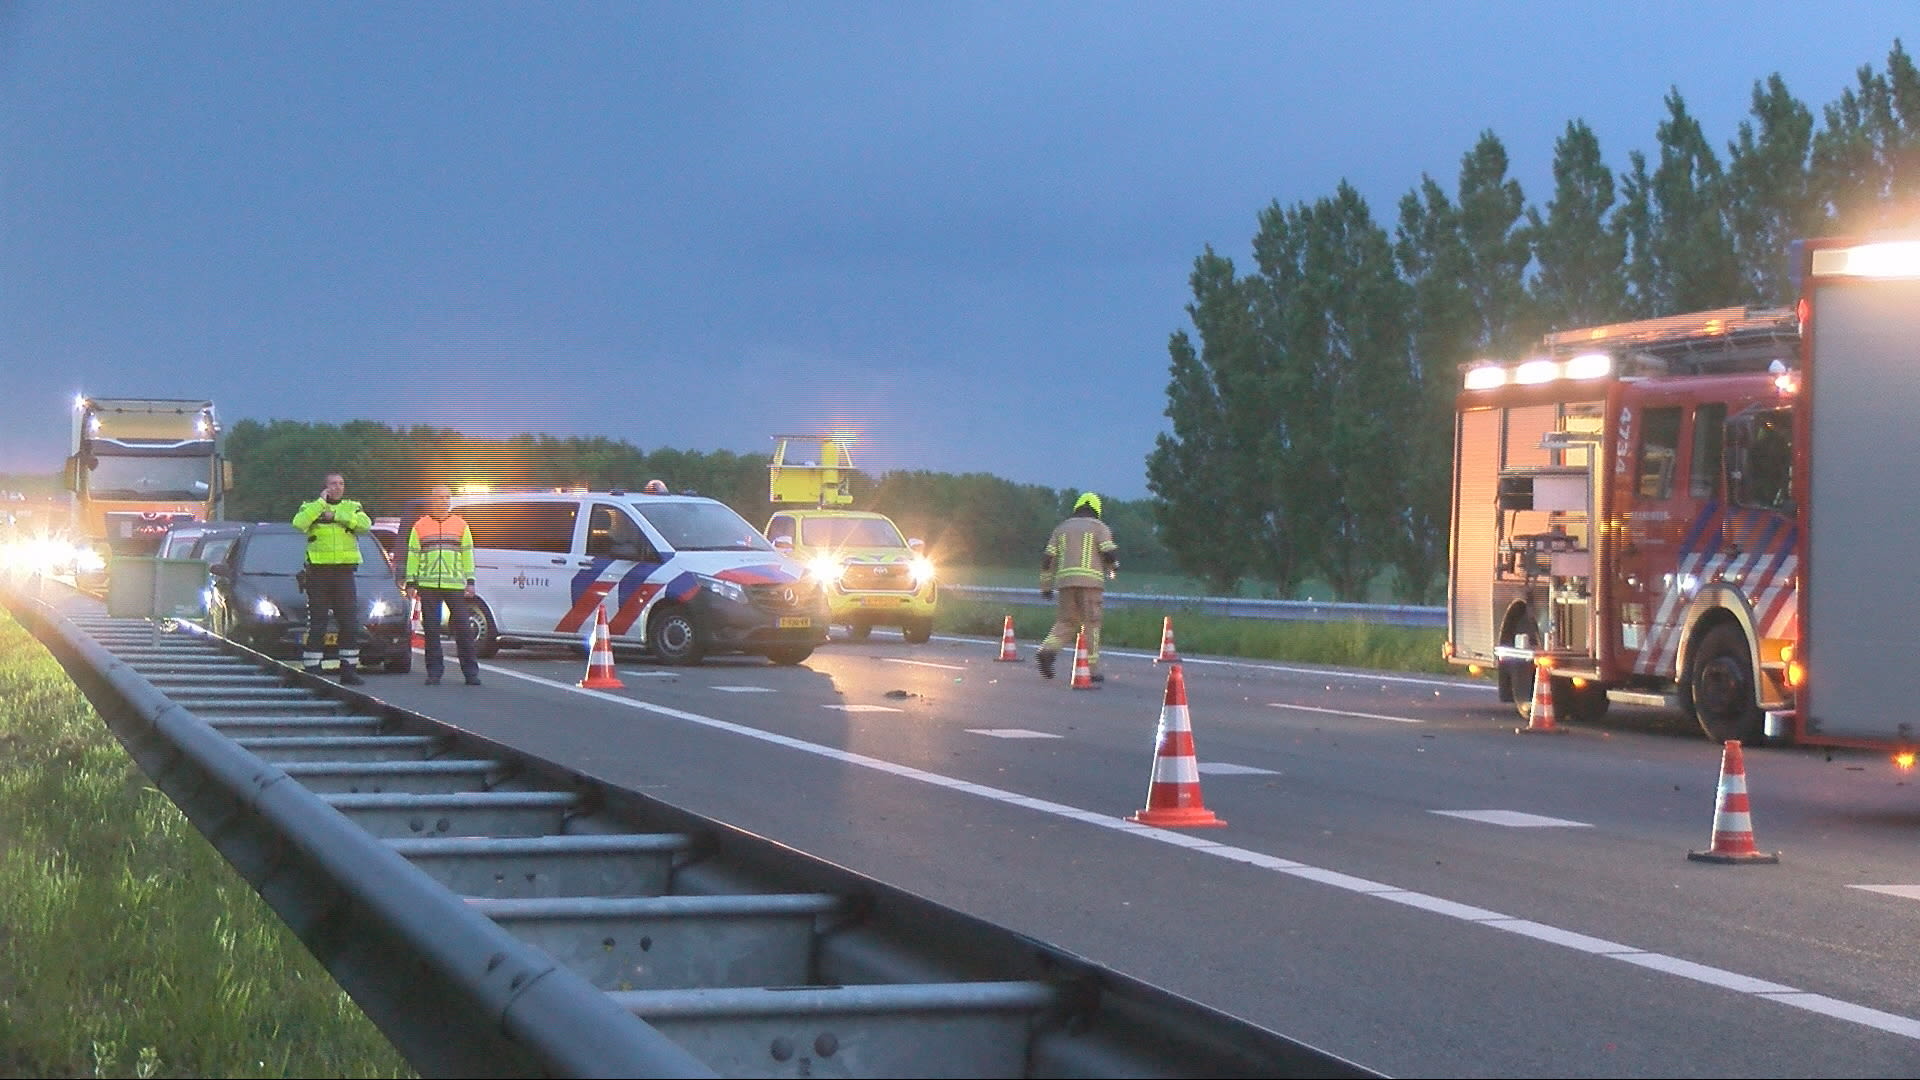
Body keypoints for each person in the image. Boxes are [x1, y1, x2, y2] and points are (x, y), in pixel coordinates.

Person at [292, 472, 374, 685]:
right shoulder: (310, 507)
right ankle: (312, 667)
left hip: (344, 573)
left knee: (348, 622)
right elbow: (299, 524)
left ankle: (348, 669)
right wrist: (321, 504)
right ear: (324, 487)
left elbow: (365, 526)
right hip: (318, 572)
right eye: (333, 484)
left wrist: (337, 517)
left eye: (341, 484)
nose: (337, 487)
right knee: (318, 621)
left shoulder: (353, 507)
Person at [1036, 491, 1119, 683]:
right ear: (1096, 510)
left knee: (1066, 621)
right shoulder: (1100, 527)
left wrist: (1046, 586)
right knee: (1092, 624)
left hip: (1065, 584)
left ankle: (1047, 650)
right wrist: (1113, 568)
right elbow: (1108, 553)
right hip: (1091, 585)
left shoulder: (1061, 528)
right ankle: (1092, 670)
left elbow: (1047, 559)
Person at [405, 484, 482, 686]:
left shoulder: (461, 525)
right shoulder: (420, 526)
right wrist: (411, 581)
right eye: (440, 497)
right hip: (428, 584)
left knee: (464, 629)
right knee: (431, 630)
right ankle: (434, 673)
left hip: (455, 584)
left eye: (447, 497)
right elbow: (412, 555)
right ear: (432, 500)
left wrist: (471, 580)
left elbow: (467, 554)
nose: (444, 501)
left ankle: (471, 673)